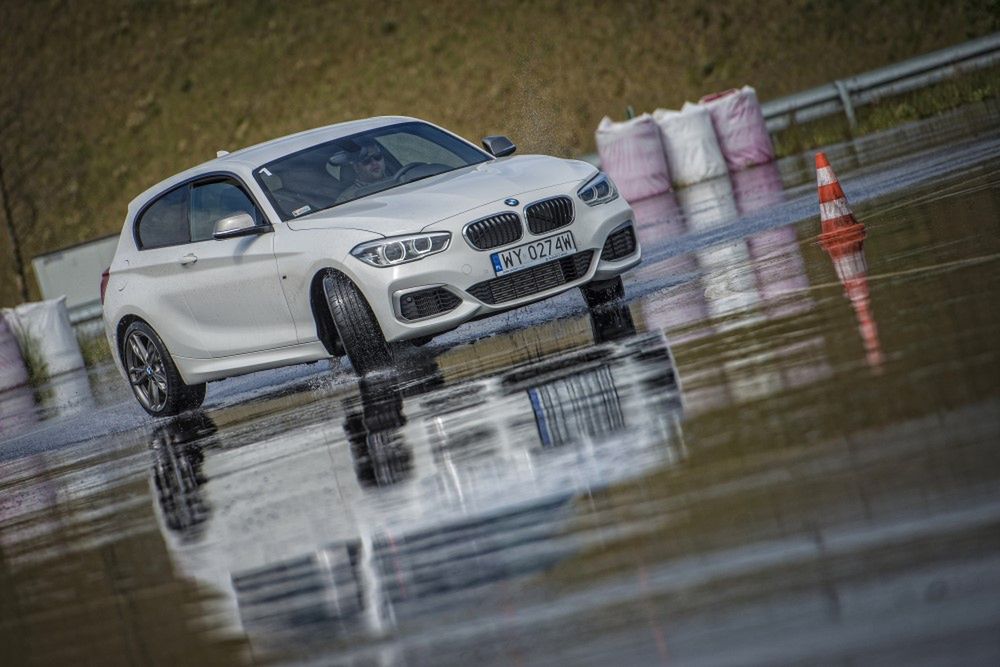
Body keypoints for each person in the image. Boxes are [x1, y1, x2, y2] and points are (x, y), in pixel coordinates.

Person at [336, 138, 389, 203]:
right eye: (366, 160)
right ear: (356, 168)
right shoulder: (347, 199)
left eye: (377, 156)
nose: (374, 163)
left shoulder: (400, 180)